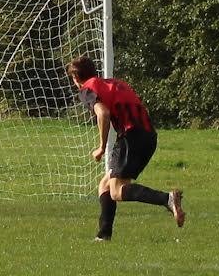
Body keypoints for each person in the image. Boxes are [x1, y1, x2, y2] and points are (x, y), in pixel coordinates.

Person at [67, 55, 184, 241]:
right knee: (105, 185)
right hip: (149, 136)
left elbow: (103, 113)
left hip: (131, 137)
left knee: (116, 190)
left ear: (76, 78)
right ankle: (103, 235)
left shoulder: (87, 88)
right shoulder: (115, 83)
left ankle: (167, 199)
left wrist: (101, 147)